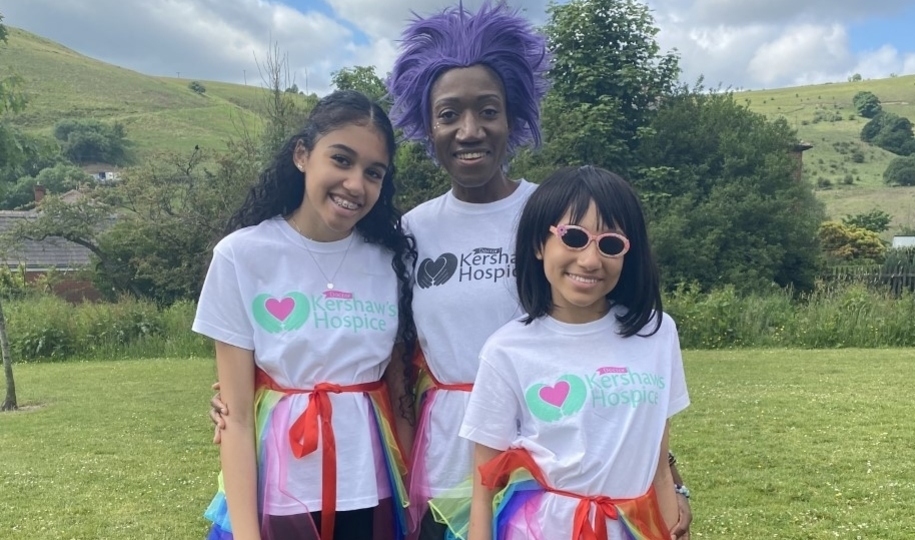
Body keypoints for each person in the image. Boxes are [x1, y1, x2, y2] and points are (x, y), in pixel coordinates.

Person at [211, 3, 692, 538]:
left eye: (488, 111)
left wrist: (669, 475)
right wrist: (252, 394)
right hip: (442, 472)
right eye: (448, 115)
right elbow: (385, 352)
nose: (470, 130)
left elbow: (622, 347)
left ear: (512, 119)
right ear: (427, 125)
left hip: (543, 478)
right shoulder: (407, 235)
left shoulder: (556, 221)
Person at [194, 90, 416, 540]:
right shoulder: (242, 255)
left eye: (374, 173)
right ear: (302, 155)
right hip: (278, 493)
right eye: (341, 159)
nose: (356, 184)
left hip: (373, 493)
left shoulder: (390, 260)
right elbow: (235, 418)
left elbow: (400, 391)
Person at [457, 165, 689, 540]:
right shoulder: (506, 350)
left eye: (610, 243)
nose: (590, 260)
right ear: (538, 243)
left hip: (633, 528)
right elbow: (484, 489)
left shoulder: (658, 333)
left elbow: (658, 464)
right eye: (575, 237)